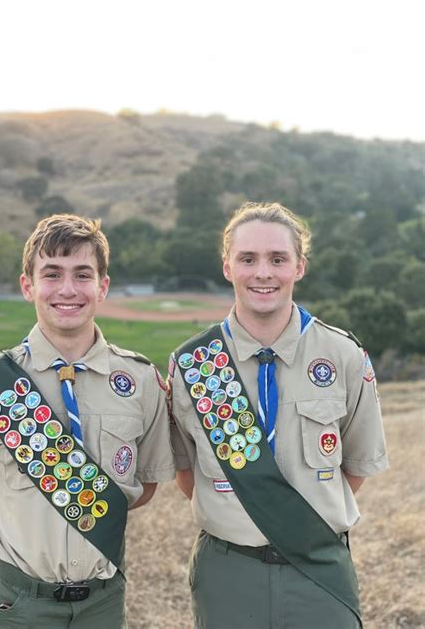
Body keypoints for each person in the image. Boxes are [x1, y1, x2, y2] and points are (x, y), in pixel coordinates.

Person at [168, 202, 389, 629]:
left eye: (278, 259)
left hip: (319, 565)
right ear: (227, 266)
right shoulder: (193, 365)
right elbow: (186, 472)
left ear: (299, 267)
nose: (263, 273)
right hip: (228, 571)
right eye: (247, 259)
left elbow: (355, 466)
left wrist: (298, 525)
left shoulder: (342, 355)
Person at [0, 214, 174, 629]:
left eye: (82, 274)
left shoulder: (141, 381)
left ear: (102, 287)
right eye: (51, 274)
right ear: (28, 286)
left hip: (102, 603)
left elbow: (143, 486)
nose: (68, 289)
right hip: (16, 603)